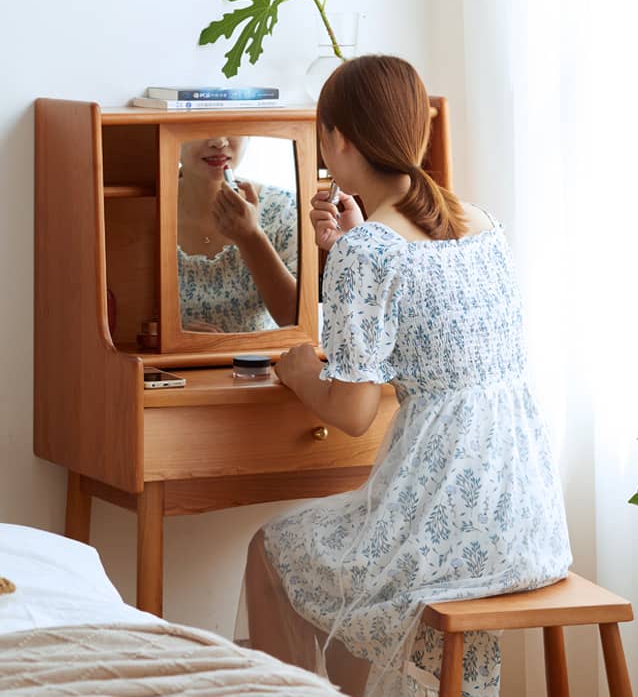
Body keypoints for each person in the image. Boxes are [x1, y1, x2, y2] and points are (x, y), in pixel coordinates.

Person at [240, 56, 572, 696]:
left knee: (271, 552)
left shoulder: (372, 251)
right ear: (417, 130)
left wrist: (300, 370)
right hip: (527, 523)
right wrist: (348, 252)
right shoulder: (481, 224)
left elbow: (354, 412)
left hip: (444, 525)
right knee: (342, 586)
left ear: (337, 139)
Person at [177, 136, 298, 333]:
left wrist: (251, 236)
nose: (219, 142)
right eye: (203, 126)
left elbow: (296, 319)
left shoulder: (284, 209)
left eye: (232, 125)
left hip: (261, 362)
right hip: (169, 363)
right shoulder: (146, 209)